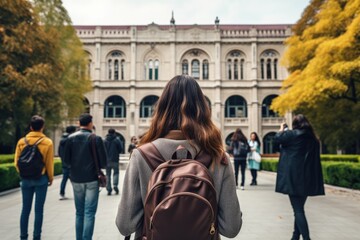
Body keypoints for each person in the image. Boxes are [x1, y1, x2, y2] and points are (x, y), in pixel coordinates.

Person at [116, 75, 242, 239]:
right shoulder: (218, 156)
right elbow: (231, 228)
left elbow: (125, 225)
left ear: (161, 109)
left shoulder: (142, 155)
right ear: (202, 109)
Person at [274, 114, 325, 240]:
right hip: (307, 178)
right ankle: (295, 236)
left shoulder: (292, 134)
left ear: (295, 124)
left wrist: (281, 129)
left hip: (293, 178)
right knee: (299, 208)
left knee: (298, 210)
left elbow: (277, 138)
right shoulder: (313, 138)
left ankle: (307, 238)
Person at [64, 113, 107, 240]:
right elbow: (103, 162)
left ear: (79, 123)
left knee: (79, 212)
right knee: (89, 212)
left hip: (76, 179)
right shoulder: (96, 138)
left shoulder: (70, 138)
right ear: (90, 123)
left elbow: (66, 160)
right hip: (92, 179)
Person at [14, 115, 54, 240]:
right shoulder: (47, 142)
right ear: (43, 127)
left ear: (31, 127)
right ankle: (37, 237)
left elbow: (16, 162)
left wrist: (23, 174)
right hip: (41, 179)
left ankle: (23, 237)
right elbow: (49, 163)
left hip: (25, 179)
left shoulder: (21, 141)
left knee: (25, 209)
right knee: (38, 210)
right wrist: (50, 178)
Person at [58, 125, 77, 200]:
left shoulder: (62, 139)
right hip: (71, 163)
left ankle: (61, 193)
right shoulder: (72, 139)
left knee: (64, 179)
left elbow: (59, 152)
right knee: (74, 180)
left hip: (64, 162)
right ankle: (77, 194)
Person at [104, 128, 123, 195]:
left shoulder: (105, 140)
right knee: (116, 173)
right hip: (115, 159)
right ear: (114, 132)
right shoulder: (117, 140)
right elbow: (121, 149)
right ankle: (115, 185)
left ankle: (109, 189)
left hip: (107, 160)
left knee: (108, 175)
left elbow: (102, 150)